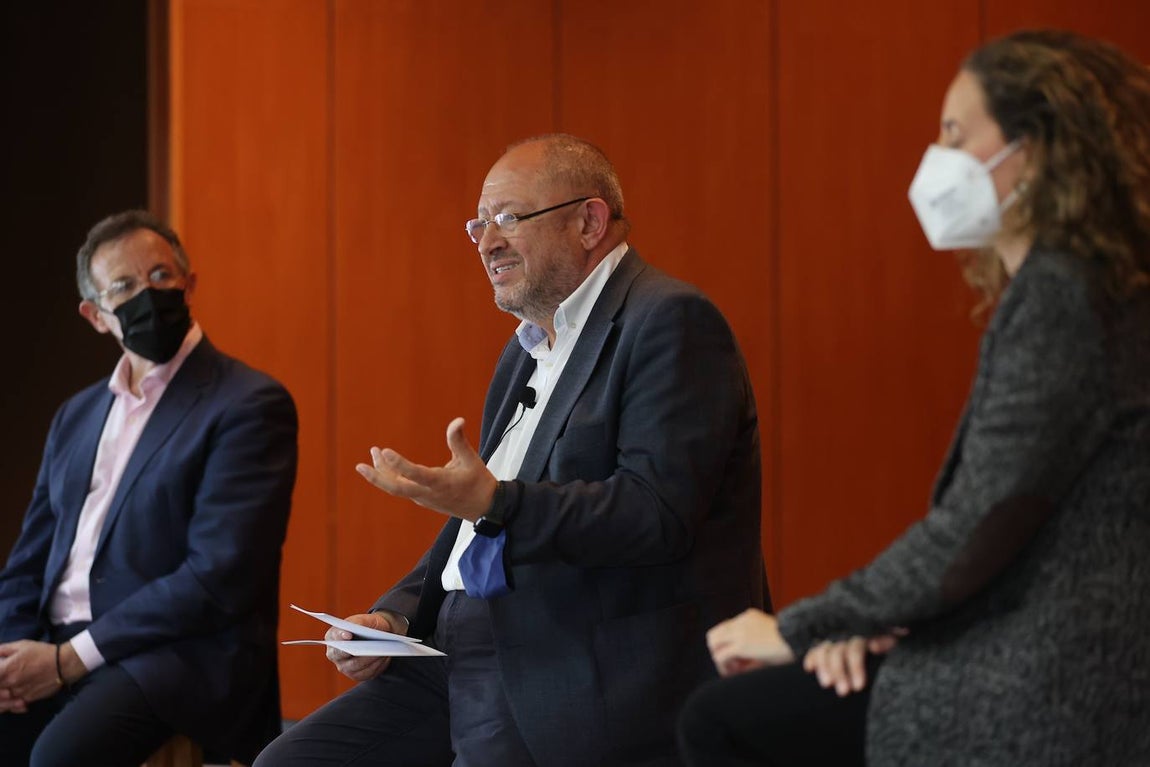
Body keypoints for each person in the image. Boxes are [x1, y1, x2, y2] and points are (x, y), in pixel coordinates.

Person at [678, 29, 1150, 767]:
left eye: (956, 132)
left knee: (720, 718)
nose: (937, 156)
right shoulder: (1090, 286)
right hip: (1039, 649)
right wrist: (881, 625)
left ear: (1035, 147)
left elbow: (979, 522)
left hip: (1047, 680)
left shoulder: (1063, 294)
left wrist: (805, 625)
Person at [255, 134, 767, 767]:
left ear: (589, 221)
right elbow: (478, 526)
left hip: (577, 662)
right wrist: (394, 620)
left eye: (508, 219)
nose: (486, 242)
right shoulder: (526, 348)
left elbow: (654, 514)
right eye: (478, 224)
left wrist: (496, 501)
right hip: (458, 652)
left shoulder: (669, 321)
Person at [0, 210, 299, 766]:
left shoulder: (248, 404)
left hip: (177, 655)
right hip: (55, 640)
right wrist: (10, 658)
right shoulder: (76, 415)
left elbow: (217, 578)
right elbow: (29, 559)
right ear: (95, 315)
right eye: (125, 287)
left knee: (57, 758)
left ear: (189, 283)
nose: (149, 295)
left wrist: (67, 661)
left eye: (161, 277)